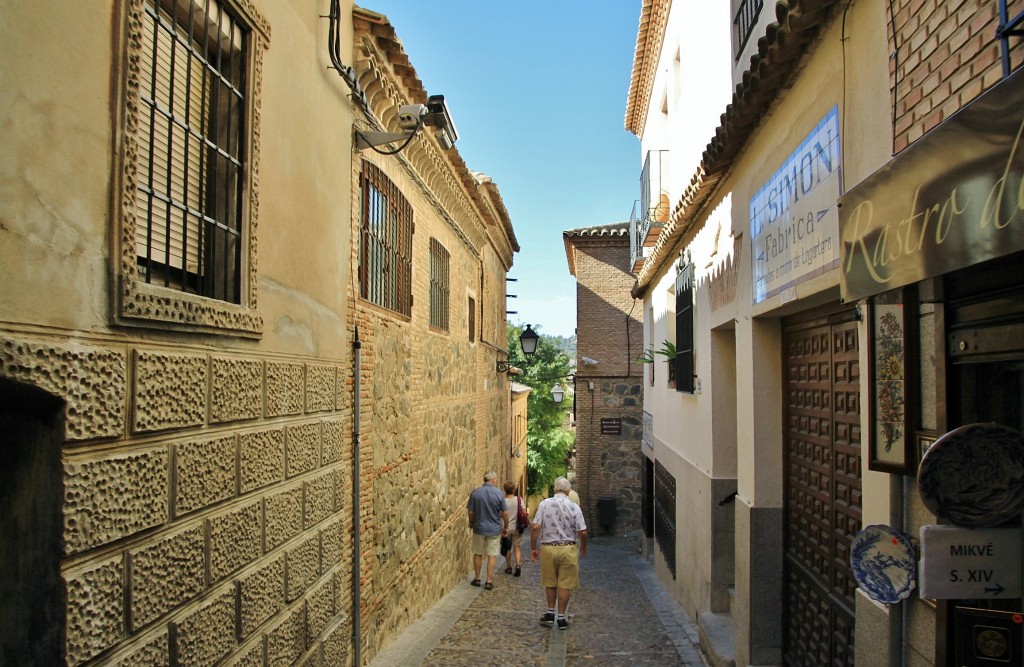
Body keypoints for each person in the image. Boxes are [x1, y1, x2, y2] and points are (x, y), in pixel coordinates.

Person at [530, 476, 587, 629]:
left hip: (548, 548)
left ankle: (550, 614)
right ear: (568, 491)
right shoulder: (574, 506)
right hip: (568, 548)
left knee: (550, 582)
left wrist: (533, 548)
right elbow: (582, 531)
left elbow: (536, 527)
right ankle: (561, 618)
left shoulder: (544, 504)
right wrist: (583, 547)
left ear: (555, 489)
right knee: (565, 584)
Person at [466, 471, 508, 590]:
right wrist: (506, 526)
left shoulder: (475, 492)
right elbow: (505, 513)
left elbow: (470, 512)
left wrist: (471, 522)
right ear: (493, 480)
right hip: (494, 529)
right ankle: (489, 581)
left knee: (478, 553)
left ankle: (477, 578)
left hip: (479, 528)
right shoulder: (499, 493)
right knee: (492, 555)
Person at [502, 482, 524, 577]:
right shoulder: (518, 499)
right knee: (517, 547)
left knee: (507, 548)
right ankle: (518, 565)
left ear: (505, 490)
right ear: (514, 490)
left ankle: (509, 567)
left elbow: (501, 514)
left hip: (506, 528)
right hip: (517, 527)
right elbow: (523, 512)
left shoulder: (503, 501)